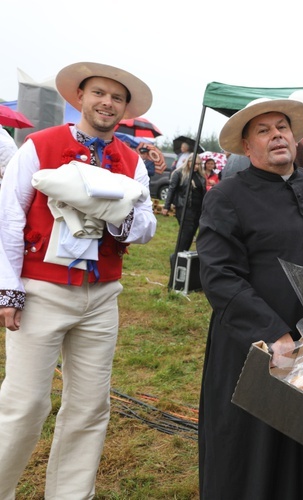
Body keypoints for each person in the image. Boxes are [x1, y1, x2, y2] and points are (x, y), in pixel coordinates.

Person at [0, 61, 156, 498]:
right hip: (41, 292)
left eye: (117, 97)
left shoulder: (131, 160)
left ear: (124, 108)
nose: (107, 102)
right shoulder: (39, 145)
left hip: (102, 294)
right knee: (24, 404)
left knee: (89, 408)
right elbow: (8, 218)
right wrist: (8, 287)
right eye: (99, 93)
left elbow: (145, 227)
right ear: (80, 98)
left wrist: (113, 215)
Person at [196, 97, 303, 499]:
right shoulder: (226, 196)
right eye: (263, 130)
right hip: (255, 343)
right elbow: (220, 275)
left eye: (282, 127)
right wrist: (274, 333)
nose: (276, 135)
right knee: (255, 446)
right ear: (247, 148)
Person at [162, 154, 207, 253]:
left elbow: (203, 192)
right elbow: (171, 190)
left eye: (199, 164)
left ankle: (184, 253)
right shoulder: (179, 173)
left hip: (198, 208)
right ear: (188, 162)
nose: (197, 166)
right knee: (187, 232)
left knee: (192, 233)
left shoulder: (200, 175)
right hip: (184, 207)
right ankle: (178, 254)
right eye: (195, 164)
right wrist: (166, 206)